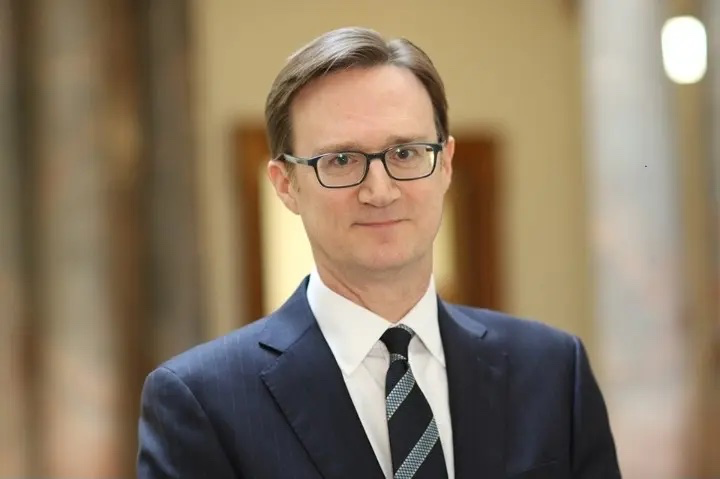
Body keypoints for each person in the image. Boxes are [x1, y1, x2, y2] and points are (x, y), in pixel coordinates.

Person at [137, 27, 621, 479]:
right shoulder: (202, 401)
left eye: (405, 153)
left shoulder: (553, 372)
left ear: (445, 165)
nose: (380, 191)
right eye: (341, 160)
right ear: (285, 185)